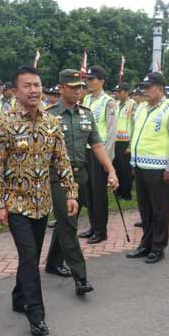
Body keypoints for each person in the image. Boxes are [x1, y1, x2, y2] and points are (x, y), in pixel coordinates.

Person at [0, 65, 78, 336]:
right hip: (16, 203)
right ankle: (36, 315)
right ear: (15, 91)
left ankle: (18, 296)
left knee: (31, 256)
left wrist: (71, 191)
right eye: (27, 86)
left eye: (37, 85)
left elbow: (61, 159)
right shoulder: (4, 123)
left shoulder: (52, 122)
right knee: (29, 257)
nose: (34, 90)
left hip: (42, 203)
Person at [44, 69, 119, 292]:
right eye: (73, 87)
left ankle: (53, 263)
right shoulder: (48, 115)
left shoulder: (86, 114)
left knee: (68, 222)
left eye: (80, 87)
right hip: (56, 176)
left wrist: (111, 170)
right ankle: (81, 277)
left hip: (80, 174)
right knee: (68, 223)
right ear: (61, 88)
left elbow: (96, 145)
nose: (78, 91)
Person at [125, 72, 169, 264]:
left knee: (159, 210)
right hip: (140, 165)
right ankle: (145, 243)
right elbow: (137, 134)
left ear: (161, 88)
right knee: (145, 209)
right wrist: (133, 161)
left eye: (149, 87)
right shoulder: (141, 107)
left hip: (159, 168)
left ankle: (158, 246)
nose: (145, 91)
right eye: (144, 87)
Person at [79, 66, 117, 244]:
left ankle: (101, 231)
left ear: (101, 81)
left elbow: (110, 132)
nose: (88, 81)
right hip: (85, 150)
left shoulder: (108, 102)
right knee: (89, 192)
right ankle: (93, 226)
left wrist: (107, 159)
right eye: (87, 78)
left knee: (99, 193)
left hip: (99, 152)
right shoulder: (86, 99)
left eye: (92, 79)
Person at [112, 82, 135, 200]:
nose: (117, 94)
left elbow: (134, 125)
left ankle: (126, 193)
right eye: (116, 92)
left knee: (126, 169)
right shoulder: (115, 104)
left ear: (126, 92)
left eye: (120, 92)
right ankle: (118, 191)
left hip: (126, 141)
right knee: (116, 167)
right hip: (115, 141)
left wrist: (131, 145)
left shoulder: (132, 105)